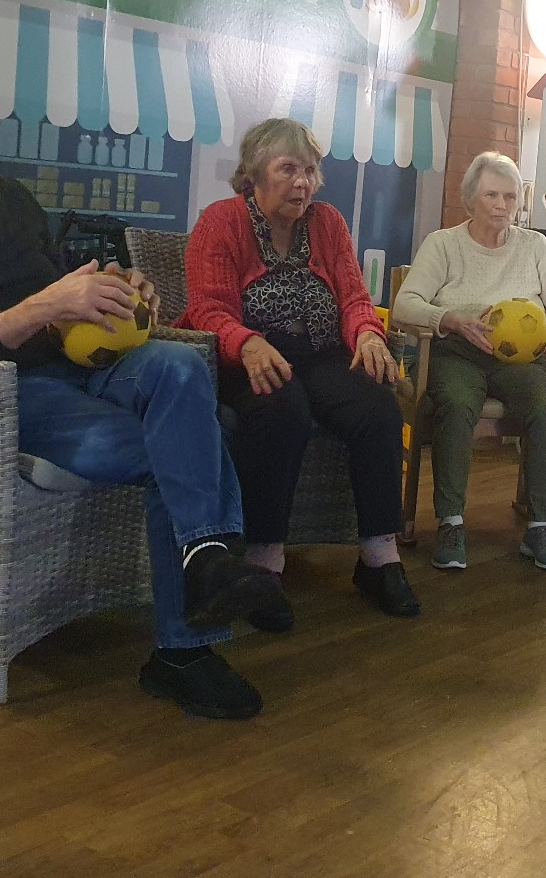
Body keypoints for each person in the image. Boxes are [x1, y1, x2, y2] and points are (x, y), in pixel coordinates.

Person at [0, 53, 288, 719]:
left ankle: (207, 556)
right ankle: (184, 647)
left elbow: (67, 278)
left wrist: (125, 292)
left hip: (87, 364)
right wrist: (43, 306)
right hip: (3, 397)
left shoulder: (11, 199)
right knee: (187, 441)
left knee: (181, 367)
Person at [178, 118, 416, 631]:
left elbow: (353, 297)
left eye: (309, 171)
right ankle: (264, 563)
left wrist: (368, 333)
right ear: (254, 175)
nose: (302, 183)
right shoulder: (220, 222)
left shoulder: (327, 223)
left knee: (377, 405)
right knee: (281, 411)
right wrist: (246, 342)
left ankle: (378, 556)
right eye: (287, 169)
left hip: (322, 351)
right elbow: (207, 309)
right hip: (247, 355)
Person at [393, 151, 546, 572]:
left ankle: (540, 527)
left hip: (522, 359)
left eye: (510, 197)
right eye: (492, 194)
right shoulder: (444, 244)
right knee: (457, 405)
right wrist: (451, 319)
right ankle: (450, 523)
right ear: (470, 199)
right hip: (457, 351)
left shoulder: (534, 246)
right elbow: (405, 305)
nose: (502, 204)